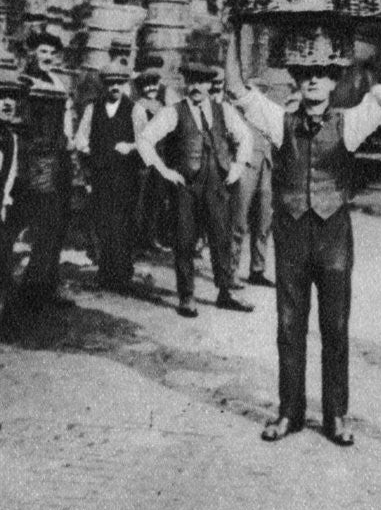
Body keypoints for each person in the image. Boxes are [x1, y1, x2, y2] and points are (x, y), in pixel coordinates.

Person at [225, 20, 381, 446]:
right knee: (288, 327)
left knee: (336, 327)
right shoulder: (279, 122)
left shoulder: (349, 122)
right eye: (306, 73)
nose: (313, 80)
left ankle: (336, 416)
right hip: (291, 238)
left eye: (323, 73)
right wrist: (233, 32)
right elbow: (237, 89)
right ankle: (289, 412)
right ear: (297, 79)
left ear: (334, 81)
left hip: (333, 239)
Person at [137, 60, 254, 318]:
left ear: (209, 85)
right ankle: (186, 296)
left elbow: (246, 137)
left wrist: (238, 166)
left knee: (221, 238)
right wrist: (164, 170)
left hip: (217, 185)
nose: (196, 87)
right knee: (184, 240)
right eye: (191, 81)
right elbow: (145, 139)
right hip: (186, 186)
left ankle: (226, 292)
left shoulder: (224, 111)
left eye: (201, 82)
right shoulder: (173, 112)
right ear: (185, 84)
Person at [17, 30, 75, 311]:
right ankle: (32, 290)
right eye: (42, 52)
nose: (48, 57)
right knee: (38, 221)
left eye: (52, 53)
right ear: (31, 54)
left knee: (56, 223)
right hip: (34, 160)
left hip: (59, 158)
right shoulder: (23, 82)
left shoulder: (58, 82)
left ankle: (45, 284)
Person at [74, 63, 140, 292]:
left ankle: (122, 275)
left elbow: (146, 142)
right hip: (101, 175)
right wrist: (90, 151)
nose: (115, 87)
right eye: (110, 83)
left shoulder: (135, 109)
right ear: (104, 85)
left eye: (119, 83)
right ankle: (105, 273)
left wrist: (130, 147)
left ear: (125, 84)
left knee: (122, 223)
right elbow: (80, 138)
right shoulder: (93, 108)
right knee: (103, 223)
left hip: (125, 176)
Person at [229, 77, 275, 289]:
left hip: (266, 166)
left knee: (264, 221)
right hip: (246, 166)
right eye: (257, 92)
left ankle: (257, 269)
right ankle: (230, 272)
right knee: (238, 222)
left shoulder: (268, 114)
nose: (260, 97)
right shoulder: (236, 112)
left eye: (263, 92)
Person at [131, 58, 169, 253]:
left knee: (156, 200)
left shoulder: (161, 105)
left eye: (154, 84)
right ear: (141, 87)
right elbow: (140, 136)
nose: (151, 88)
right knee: (141, 201)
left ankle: (151, 238)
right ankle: (137, 242)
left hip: (161, 158)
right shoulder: (139, 107)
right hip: (144, 160)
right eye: (147, 85)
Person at [0, 63, 21, 321]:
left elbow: (10, 174)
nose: (7, 103)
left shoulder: (10, 137)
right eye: (1, 96)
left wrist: (4, 203)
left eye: (12, 98)